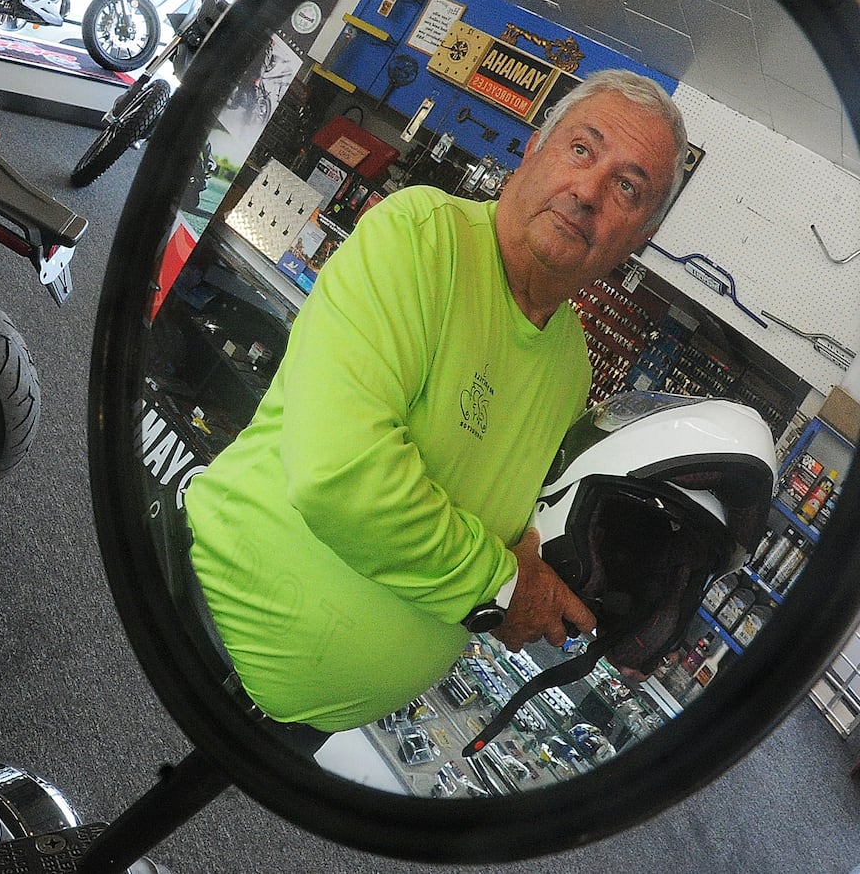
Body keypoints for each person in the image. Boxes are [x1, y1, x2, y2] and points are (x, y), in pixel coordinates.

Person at [184, 68, 690, 732]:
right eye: (581, 148)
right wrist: (505, 589)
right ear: (534, 148)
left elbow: (525, 531)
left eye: (628, 186)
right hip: (196, 634)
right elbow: (342, 475)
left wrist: (588, 587)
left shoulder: (572, 368)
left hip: (302, 727)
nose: (589, 190)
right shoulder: (420, 238)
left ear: (639, 238)